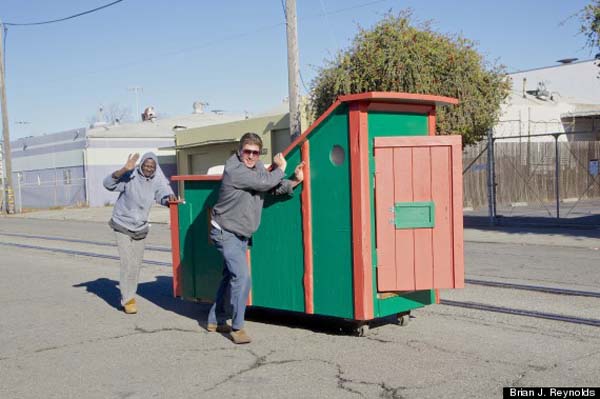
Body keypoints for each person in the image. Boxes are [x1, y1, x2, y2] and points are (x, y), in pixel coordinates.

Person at [208, 132, 304, 344]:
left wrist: (294, 181)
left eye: (255, 152)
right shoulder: (234, 170)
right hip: (225, 231)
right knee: (242, 278)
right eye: (247, 151)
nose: (251, 156)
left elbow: (269, 186)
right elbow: (264, 183)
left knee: (229, 276)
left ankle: (215, 319)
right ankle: (237, 327)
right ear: (239, 151)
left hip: (241, 232)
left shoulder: (258, 168)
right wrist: (281, 169)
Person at [103, 152, 176, 314]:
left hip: (140, 227)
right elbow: (107, 184)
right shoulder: (130, 176)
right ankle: (127, 299)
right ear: (141, 164)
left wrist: (169, 200)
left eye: (152, 166)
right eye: (146, 165)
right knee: (127, 261)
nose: (149, 168)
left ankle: (130, 294)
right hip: (122, 223)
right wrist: (123, 170)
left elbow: (162, 195)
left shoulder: (157, 179)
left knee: (135, 264)